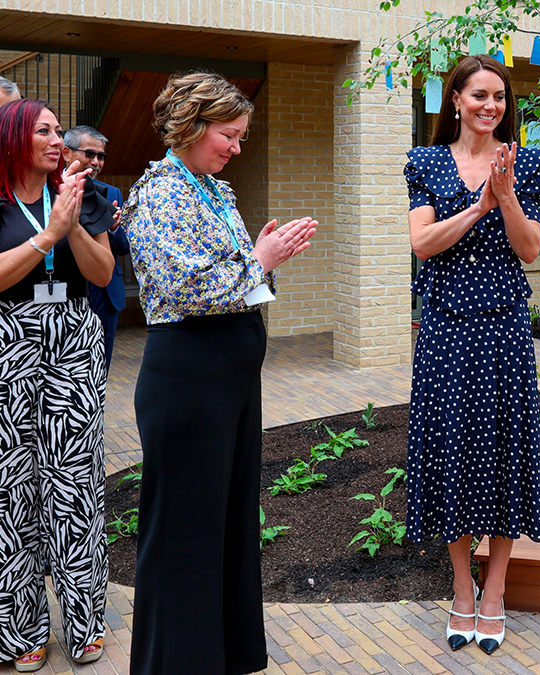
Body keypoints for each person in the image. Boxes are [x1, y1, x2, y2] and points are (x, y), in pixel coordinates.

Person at [123, 71, 316, 675]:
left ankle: (220, 656)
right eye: (228, 136)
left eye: (241, 137)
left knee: (227, 521)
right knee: (185, 529)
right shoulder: (159, 194)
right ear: (191, 126)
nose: (237, 148)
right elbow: (188, 286)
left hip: (230, 379)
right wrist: (258, 260)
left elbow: (235, 280)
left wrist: (260, 257)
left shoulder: (213, 191)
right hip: (189, 380)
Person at [404, 54, 540, 656]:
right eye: (480, 95)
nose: (492, 106)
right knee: (453, 452)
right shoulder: (426, 161)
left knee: (504, 452)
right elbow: (422, 243)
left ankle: (496, 591)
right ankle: (461, 589)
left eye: (500, 97)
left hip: (504, 328)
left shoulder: (527, 160)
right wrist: (478, 207)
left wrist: (507, 197)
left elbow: (530, 249)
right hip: (444, 328)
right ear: (456, 100)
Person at [0, 99, 115, 671]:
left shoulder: (80, 193)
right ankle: (22, 630)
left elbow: (101, 274)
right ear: (14, 136)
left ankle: (86, 623)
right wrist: (48, 235)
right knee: (12, 490)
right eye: (43, 131)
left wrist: (70, 226)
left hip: (72, 339)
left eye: (57, 132)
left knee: (73, 485)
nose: (57, 141)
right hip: (10, 343)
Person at [65, 125, 127, 369]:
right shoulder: (50, 189)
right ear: (66, 153)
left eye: (101, 156)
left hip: (106, 292)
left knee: (102, 364)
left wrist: (113, 229)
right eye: (89, 154)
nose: (96, 162)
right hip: (70, 289)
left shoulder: (111, 193)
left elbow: (123, 247)